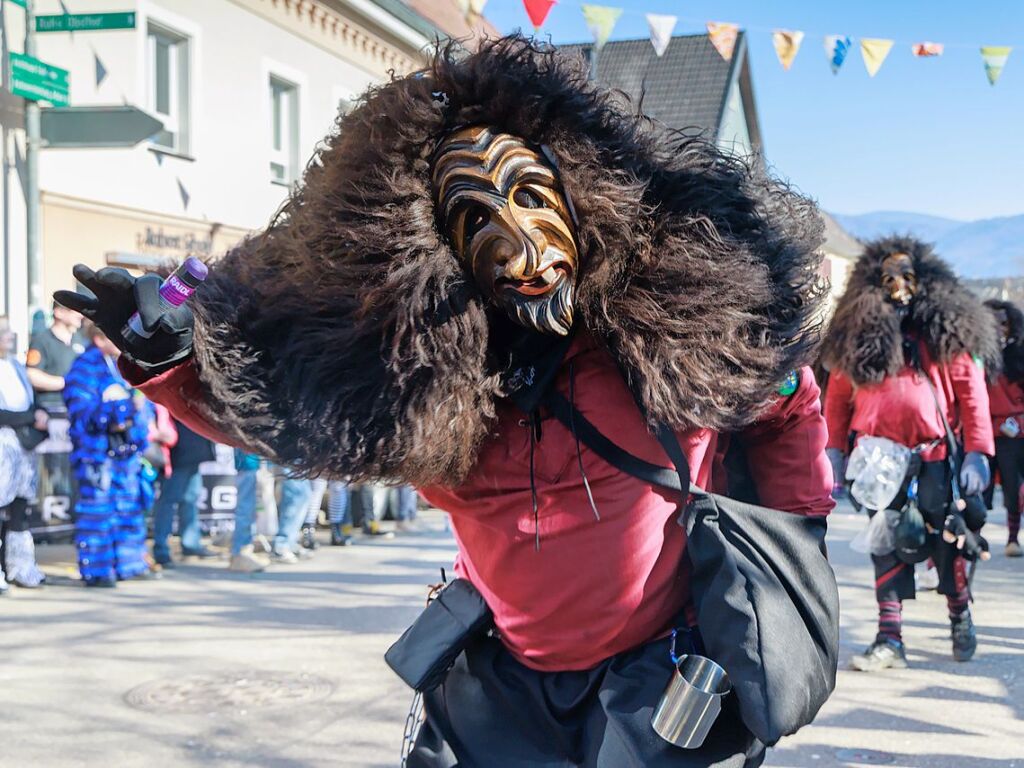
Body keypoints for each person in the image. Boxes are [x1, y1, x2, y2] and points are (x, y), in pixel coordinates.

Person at [58, 37, 835, 767]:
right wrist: (169, 357)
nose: (526, 252)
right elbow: (290, 423)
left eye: (532, 198)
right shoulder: (431, 380)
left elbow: (786, 408)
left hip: (649, 679)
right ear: (436, 249)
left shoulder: (668, 347)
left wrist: (794, 539)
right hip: (501, 685)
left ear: (584, 200)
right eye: (479, 221)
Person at [822, 236, 998, 670]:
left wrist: (978, 451)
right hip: (878, 462)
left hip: (934, 458)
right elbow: (837, 397)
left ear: (925, 282)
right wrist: (833, 448)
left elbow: (971, 395)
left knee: (946, 540)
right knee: (886, 543)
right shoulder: (857, 338)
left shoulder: (945, 334)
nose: (898, 284)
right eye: (888, 277)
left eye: (906, 276)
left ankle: (959, 615)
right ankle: (890, 638)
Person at [64, 322, 152, 587]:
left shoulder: (118, 365)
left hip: (124, 454)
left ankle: (129, 564)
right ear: (100, 338)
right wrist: (124, 409)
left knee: (127, 508)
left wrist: (130, 416)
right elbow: (82, 413)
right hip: (96, 455)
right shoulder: (83, 367)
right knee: (97, 512)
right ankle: (98, 571)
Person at [0, 316, 49, 592]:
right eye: (4, 331)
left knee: (20, 508)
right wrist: (30, 416)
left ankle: (20, 567)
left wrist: (38, 412)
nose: (10, 335)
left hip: (23, 448)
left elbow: (33, 398)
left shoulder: (17, 366)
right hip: (2, 445)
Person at [984, 299, 1024, 557]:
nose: (999, 328)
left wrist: (1018, 423)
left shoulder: (1019, 355)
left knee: (1012, 487)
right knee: (977, 489)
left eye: (1004, 324)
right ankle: (974, 538)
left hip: (1012, 433)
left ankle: (1013, 538)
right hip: (981, 431)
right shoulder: (977, 355)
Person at [151, 420, 216, 567]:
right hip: (177, 453)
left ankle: (190, 544)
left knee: (190, 499)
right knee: (168, 501)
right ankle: (161, 551)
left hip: (194, 450)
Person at [230, 449, 267, 572]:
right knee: (245, 508)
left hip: (250, 461)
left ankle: (243, 551)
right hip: (247, 462)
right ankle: (240, 553)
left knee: (248, 508)